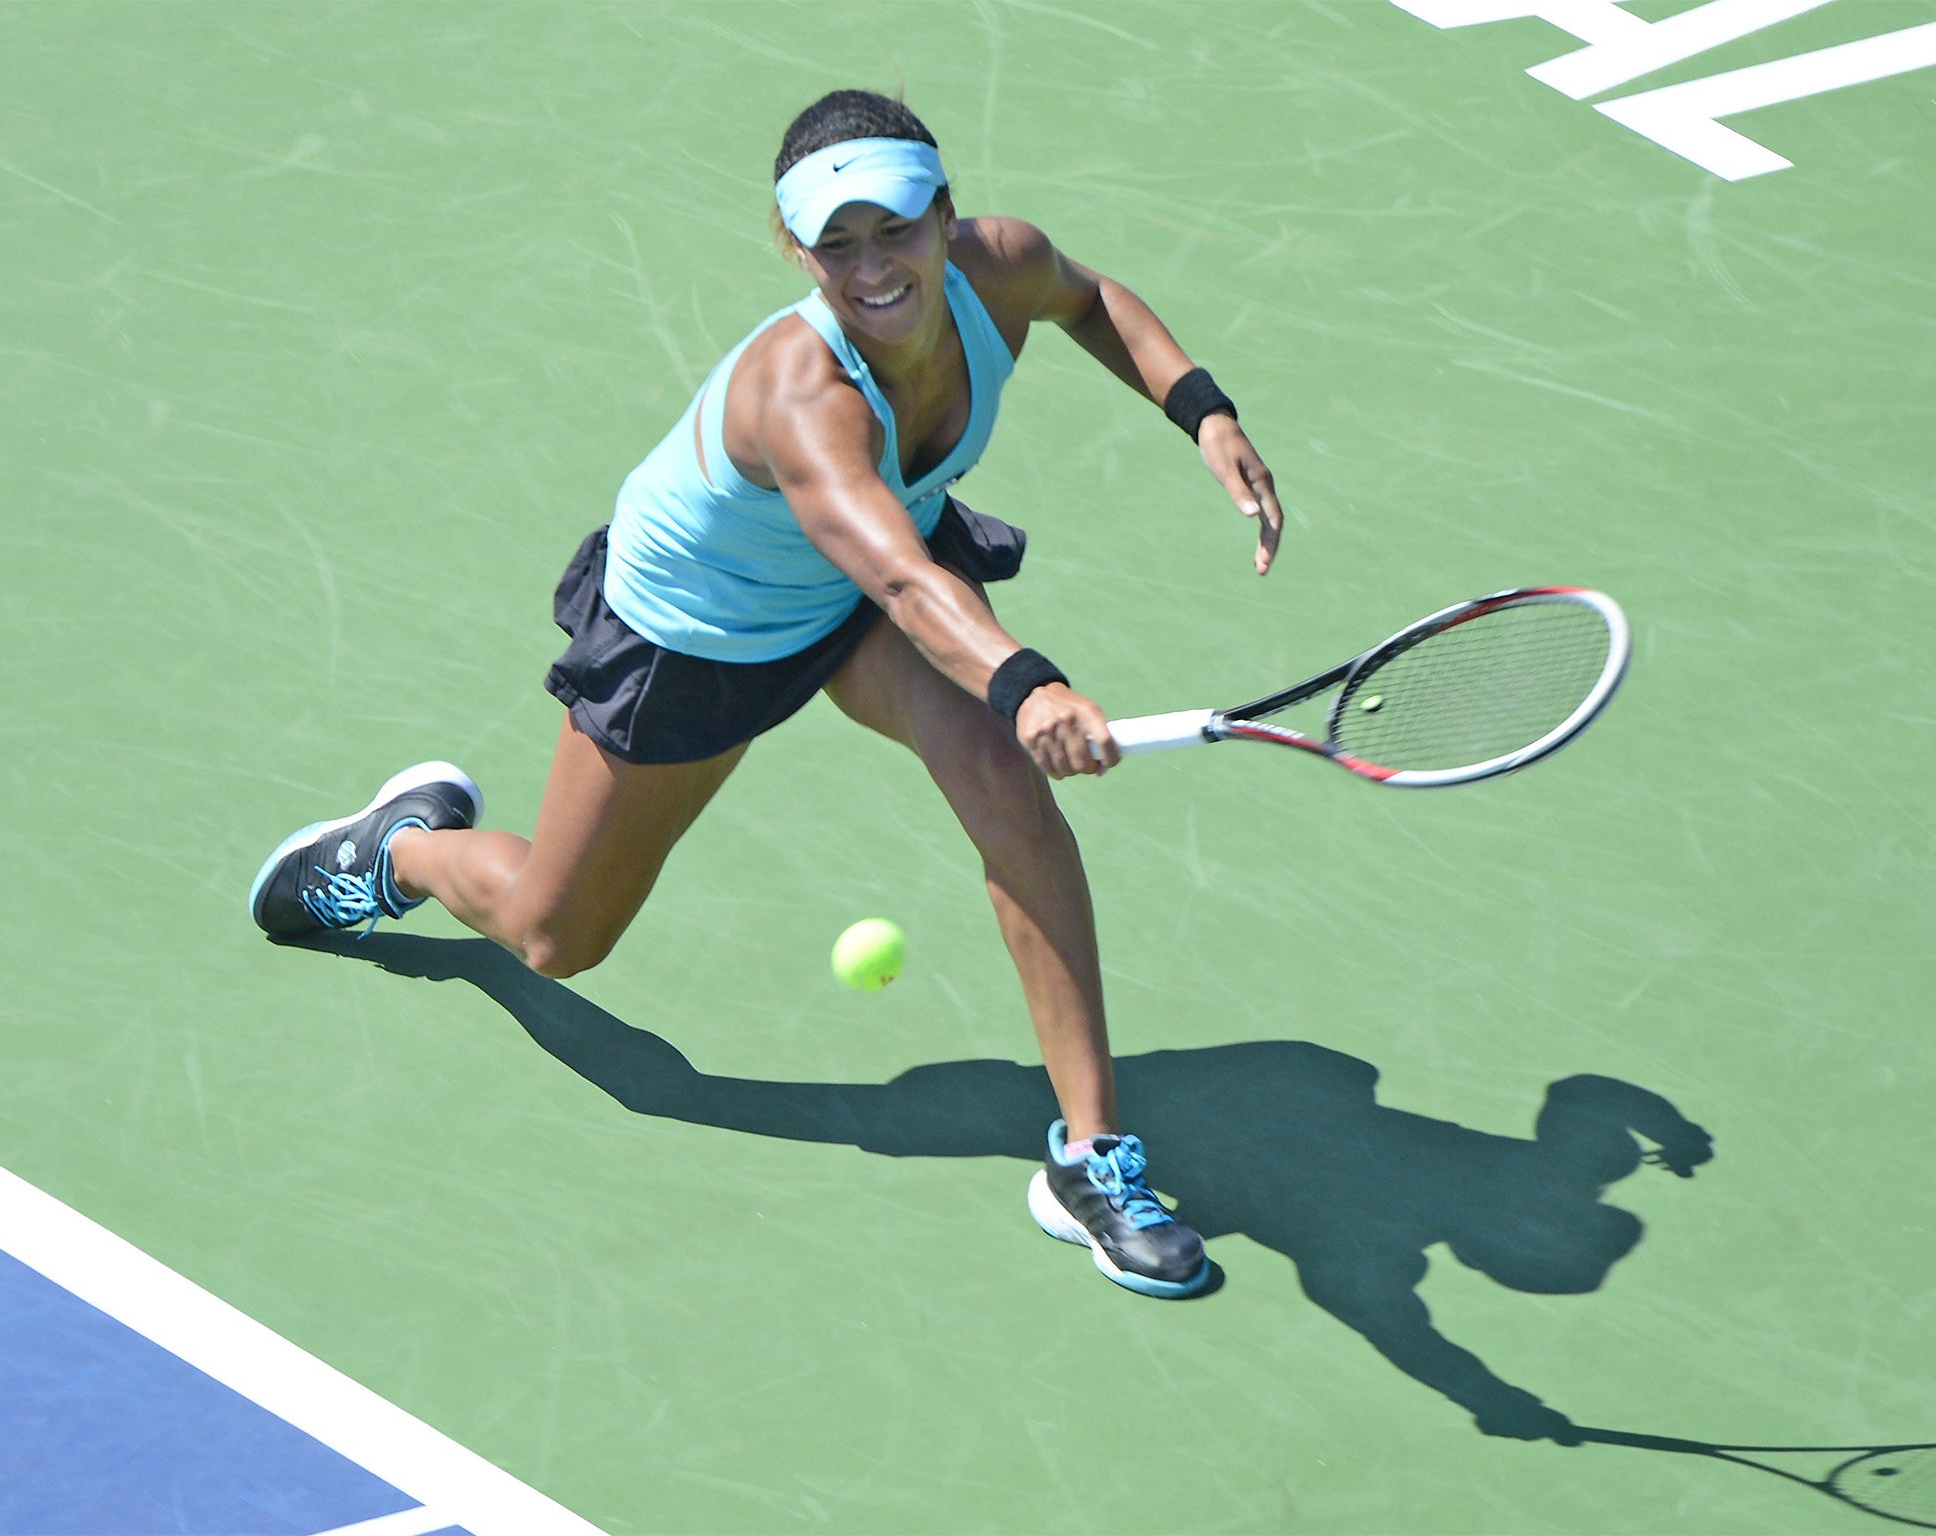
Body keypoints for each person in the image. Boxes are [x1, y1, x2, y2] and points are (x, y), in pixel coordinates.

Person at [248, 89, 1285, 1300]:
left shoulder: (997, 266)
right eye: (831, 244)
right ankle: (402, 852)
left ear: (945, 218)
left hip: (861, 595)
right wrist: (1028, 681)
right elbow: (898, 576)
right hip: (702, 633)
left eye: (892, 229)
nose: (869, 266)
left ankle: (1092, 1159)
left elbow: (1090, 299)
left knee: (1003, 782)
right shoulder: (801, 395)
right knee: (554, 934)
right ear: (794, 252)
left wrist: (1200, 409)